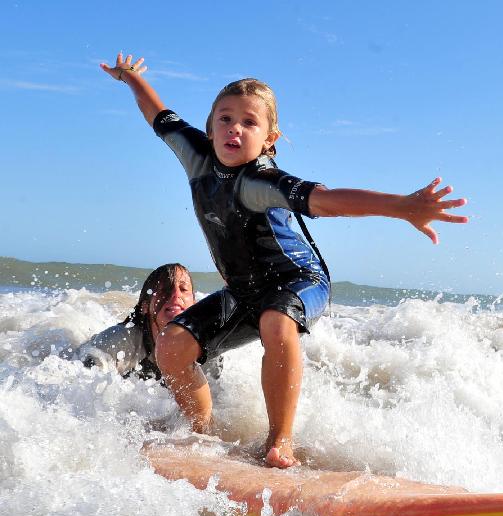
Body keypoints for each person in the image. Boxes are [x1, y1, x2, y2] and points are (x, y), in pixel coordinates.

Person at [101, 52, 468, 468]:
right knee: (171, 345)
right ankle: (201, 434)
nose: (234, 128)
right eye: (224, 118)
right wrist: (129, 77)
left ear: (269, 139)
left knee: (276, 321)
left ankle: (280, 442)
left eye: (249, 122)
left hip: (298, 281)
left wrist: (402, 206)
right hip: (243, 292)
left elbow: (327, 202)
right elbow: (158, 113)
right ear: (209, 127)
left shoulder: (262, 181)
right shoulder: (196, 156)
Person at [75, 263, 206, 379]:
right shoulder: (118, 342)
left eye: (183, 289)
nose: (176, 295)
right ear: (145, 306)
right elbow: (83, 386)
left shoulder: (205, 347)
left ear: (194, 303)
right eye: (165, 290)